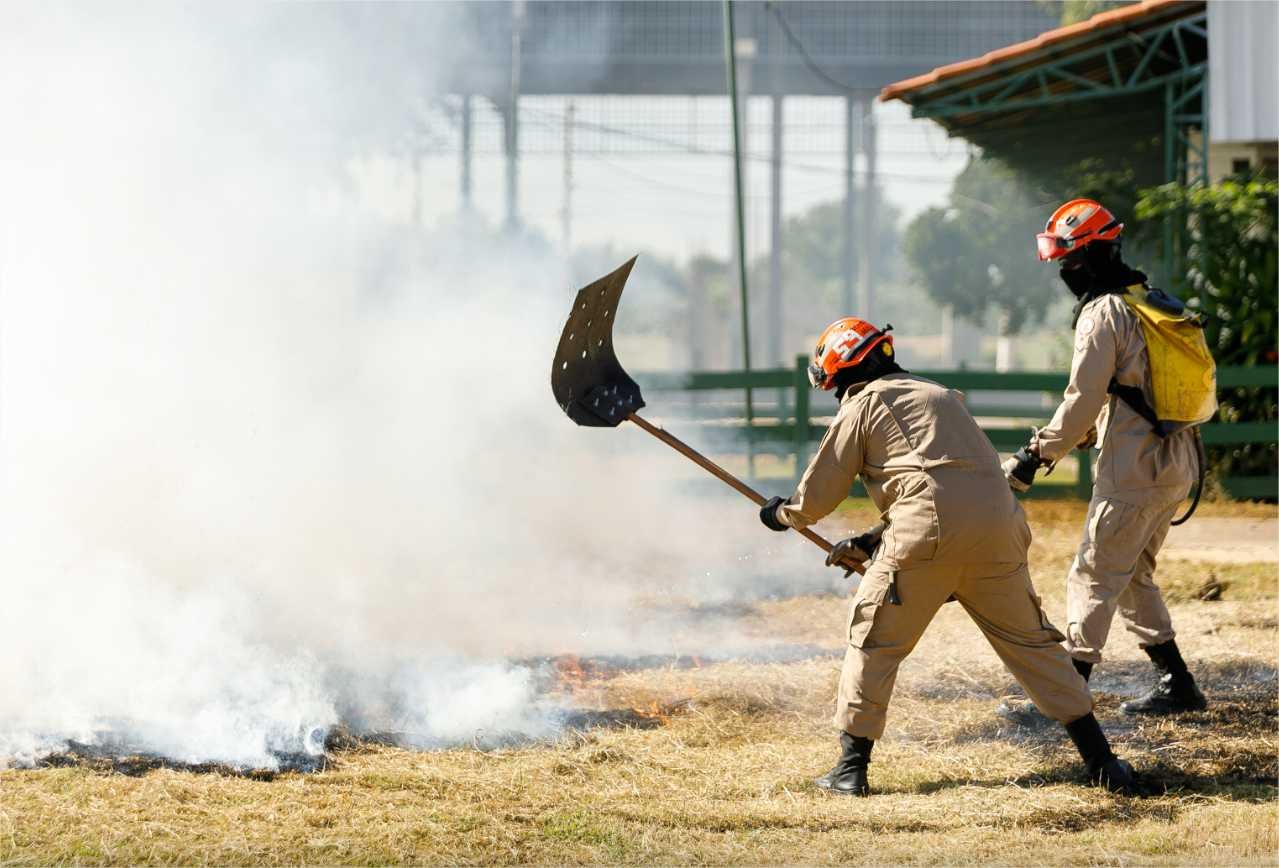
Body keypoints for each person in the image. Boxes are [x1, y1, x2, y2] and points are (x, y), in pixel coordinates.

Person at [758, 316, 1136, 796]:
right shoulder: (942, 397)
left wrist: (782, 515)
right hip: (1000, 530)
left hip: (924, 535)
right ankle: (1103, 764)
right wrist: (875, 538)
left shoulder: (864, 403)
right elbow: (950, 481)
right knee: (1034, 647)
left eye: (834, 387)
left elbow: (819, 495)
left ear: (841, 372)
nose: (837, 396)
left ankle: (850, 771)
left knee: (875, 642)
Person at [1003, 199, 1208, 716]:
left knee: (1093, 573)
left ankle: (1062, 697)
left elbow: (1082, 398)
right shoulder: (1149, 300)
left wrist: (1036, 452)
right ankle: (1177, 683)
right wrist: (1092, 431)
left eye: (1070, 261)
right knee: (1134, 573)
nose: (1066, 272)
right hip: (1177, 463)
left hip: (1134, 470)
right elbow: (1132, 390)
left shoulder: (1103, 312)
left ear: (1094, 255)